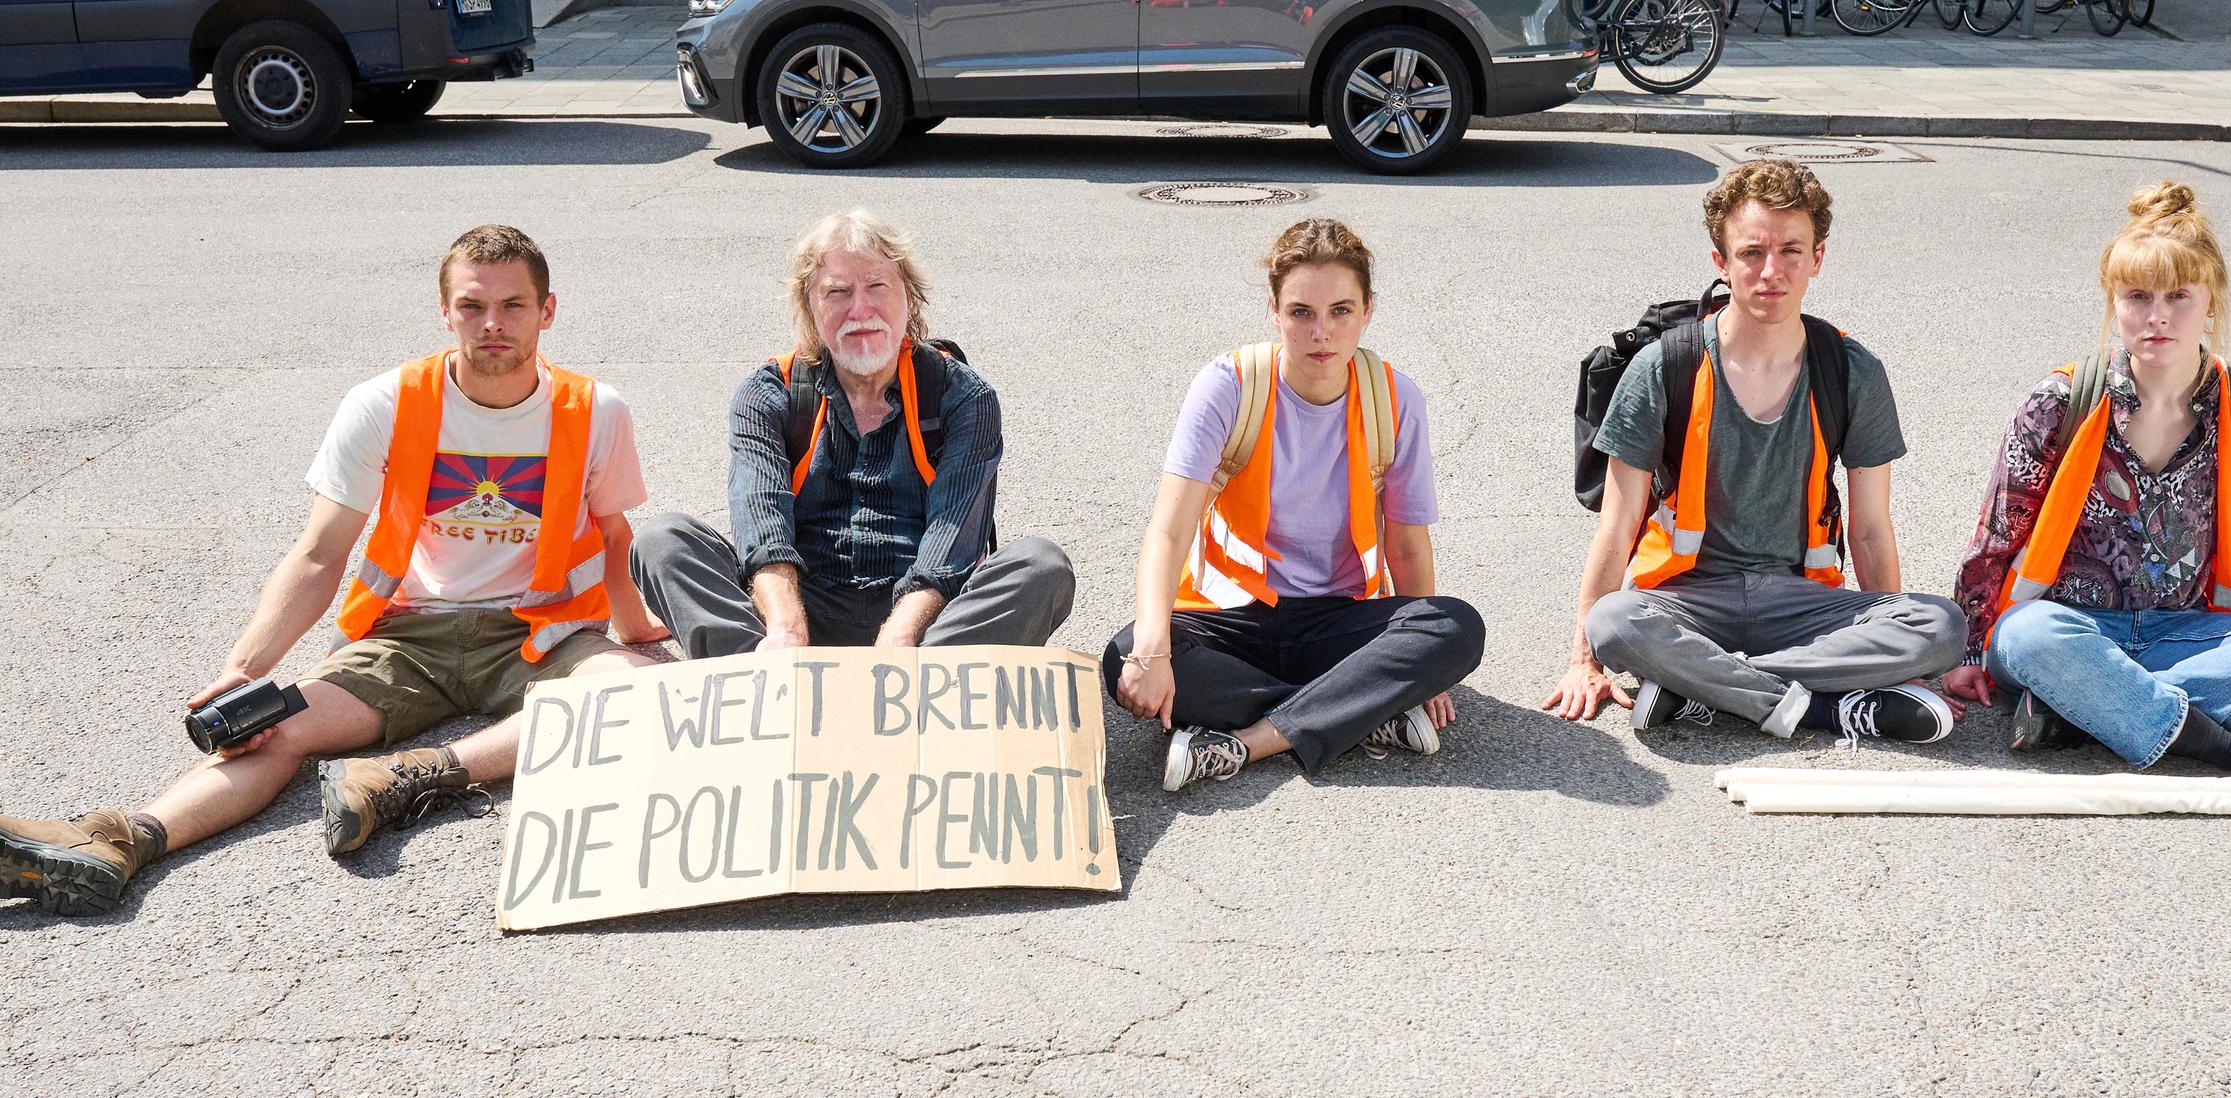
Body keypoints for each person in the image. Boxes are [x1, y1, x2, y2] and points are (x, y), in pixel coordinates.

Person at [0, 225, 665, 917]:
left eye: (513, 305)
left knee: (638, 694)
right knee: (274, 728)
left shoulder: (594, 410)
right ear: (445, 313)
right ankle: (124, 841)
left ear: (547, 311)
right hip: (411, 636)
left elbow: (613, 531)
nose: (492, 324)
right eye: (472, 306)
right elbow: (320, 553)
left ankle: (406, 776)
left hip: (541, 633)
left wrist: (631, 629)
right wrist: (246, 666)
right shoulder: (385, 403)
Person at [1945, 182, 2231, 782]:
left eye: (2178, 295)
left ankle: (2079, 711)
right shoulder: (2060, 401)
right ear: (2113, 302)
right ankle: (2217, 742)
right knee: (2028, 635)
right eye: (2138, 296)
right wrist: (1967, 653)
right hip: (2071, 628)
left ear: (2211, 301)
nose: (2158, 315)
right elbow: (1996, 536)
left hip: (2191, 633)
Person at [1546, 159, 1965, 741]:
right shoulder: (1664, 366)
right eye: (1751, 253)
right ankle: (1824, 708)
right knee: (1614, 622)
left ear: (1819, 256)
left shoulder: (1851, 370)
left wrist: (1905, 654)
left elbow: (1870, 530)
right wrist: (1582, 661)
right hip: (1685, 602)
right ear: (1721, 261)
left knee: (1939, 627)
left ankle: (1704, 689)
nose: (1772, 271)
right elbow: (1616, 526)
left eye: (1792, 250)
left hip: (1801, 604)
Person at [1105, 218, 1485, 793]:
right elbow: (1169, 528)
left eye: (1341, 311)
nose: (1321, 334)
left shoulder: (1395, 398)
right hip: (1231, 616)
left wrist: (1428, 667)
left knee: (1455, 627)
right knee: (1123, 654)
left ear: (1368, 311)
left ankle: (1245, 742)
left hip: (1336, 618)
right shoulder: (1229, 387)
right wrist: (1153, 648)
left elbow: (1406, 543)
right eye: (1301, 312)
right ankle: (1357, 712)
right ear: (1275, 310)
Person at [632, 211, 1074, 656]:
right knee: (664, 542)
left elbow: (953, 540)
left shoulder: (959, 394)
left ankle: (918, 688)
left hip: (924, 623)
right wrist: (786, 629)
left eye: (877, 286)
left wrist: (899, 638)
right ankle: (765, 690)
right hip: (800, 609)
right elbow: (762, 518)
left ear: (910, 298)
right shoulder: (771, 392)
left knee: (1041, 566)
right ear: (810, 308)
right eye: (837, 292)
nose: (860, 310)